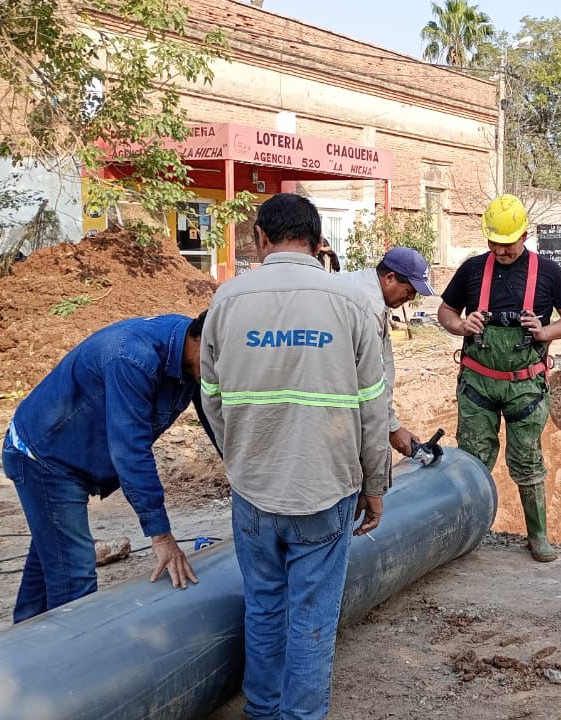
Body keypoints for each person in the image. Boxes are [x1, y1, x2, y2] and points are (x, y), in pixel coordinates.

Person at [199, 193, 391, 719]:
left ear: (260, 238)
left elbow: (211, 399)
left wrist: (241, 455)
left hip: (253, 489)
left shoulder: (227, 301)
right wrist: (375, 485)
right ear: (317, 240)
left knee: (263, 607)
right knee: (311, 618)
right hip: (325, 487)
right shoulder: (352, 303)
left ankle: (262, 711)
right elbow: (374, 409)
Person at [2, 312, 210, 623]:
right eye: (218, 361)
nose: (220, 373)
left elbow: (217, 423)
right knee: (75, 578)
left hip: (68, 454)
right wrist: (161, 536)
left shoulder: (192, 358)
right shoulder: (133, 356)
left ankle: (23, 645)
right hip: (45, 459)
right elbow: (130, 450)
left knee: (52, 559)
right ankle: (73, 652)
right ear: (199, 339)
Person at [437, 194, 561, 563]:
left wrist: (545, 332)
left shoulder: (548, 272)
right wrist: (461, 325)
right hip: (478, 384)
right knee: (472, 459)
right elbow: (445, 311)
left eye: (507, 244)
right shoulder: (472, 269)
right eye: (494, 243)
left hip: (525, 387)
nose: (500, 251)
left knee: (527, 460)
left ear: (524, 236)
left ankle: (538, 535)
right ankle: (466, 534)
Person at [344, 246, 436, 457]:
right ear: (390, 278)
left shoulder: (365, 284)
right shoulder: (368, 305)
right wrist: (392, 428)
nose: (410, 298)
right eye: (409, 291)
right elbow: (371, 377)